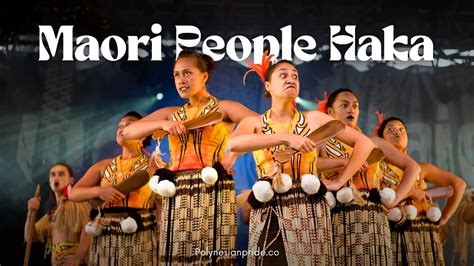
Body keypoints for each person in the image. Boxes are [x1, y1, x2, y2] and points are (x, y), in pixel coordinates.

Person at [227, 58, 375, 265]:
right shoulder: (254, 122)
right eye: (283, 75)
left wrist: (340, 181)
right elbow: (234, 144)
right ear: (268, 86)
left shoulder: (313, 119)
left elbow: (364, 143)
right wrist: (285, 137)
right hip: (269, 206)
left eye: (295, 75)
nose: (291, 79)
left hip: (309, 206)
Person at [123, 50, 258, 264]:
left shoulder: (223, 108)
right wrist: (162, 124)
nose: (180, 80)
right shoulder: (172, 113)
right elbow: (129, 132)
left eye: (187, 73)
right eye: (176, 75)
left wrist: (232, 156)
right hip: (176, 189)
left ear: (204, 76)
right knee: (178, 256)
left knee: (212, 254)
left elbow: (262, 126)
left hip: (212, 184)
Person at [318, 88, 420, 265]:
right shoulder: (322, 139)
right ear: (329, 112)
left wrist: (394, 200)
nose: (351, 109)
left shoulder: (372, 142)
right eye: (344, 105)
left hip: (375, 217)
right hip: (338, 215)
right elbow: (310, 164)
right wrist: (342, 162)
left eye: (355, 106)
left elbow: (413, 167)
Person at [68, 111, 158, 265]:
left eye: (128, 125)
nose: (121, 129)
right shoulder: (104, 166)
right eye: (120, 126)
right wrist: (99, 191)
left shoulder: (154, 165)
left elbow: (164, 204)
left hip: (139, 236)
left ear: (143, 134)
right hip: (104, 239)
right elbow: (74, 194)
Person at [377, 116, 466, 265]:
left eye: (401, 130)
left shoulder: (421, 168)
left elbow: (459, 184)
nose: (397, 133)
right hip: (390, 230)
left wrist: (443, 220)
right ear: (381, 139)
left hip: (422, 233)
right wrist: (411, 192)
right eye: (390, 130)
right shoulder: (377, 165)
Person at [24, 163, 91, 266]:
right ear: (50, 181)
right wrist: (30, 213)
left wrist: (78, 256)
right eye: (52, 175)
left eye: (61, 174)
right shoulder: (53, 213)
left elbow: (88, 225)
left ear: (71, 180)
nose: (56, 178)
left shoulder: (78, 202)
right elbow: (29, 237)